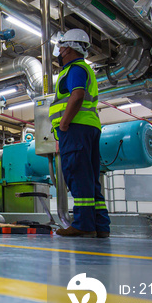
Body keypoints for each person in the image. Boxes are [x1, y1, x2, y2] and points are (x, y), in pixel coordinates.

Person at [49, 29, 111, 238]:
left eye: (60, 46)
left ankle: (84, 225)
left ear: (68, 47)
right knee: (91, 178)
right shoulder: (84, 68)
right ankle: (100, 225)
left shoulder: (74, 69)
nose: (59, 50)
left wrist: (64, 123)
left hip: (75, 129)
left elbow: (77, 95)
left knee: (77, 175)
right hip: (89, 127)